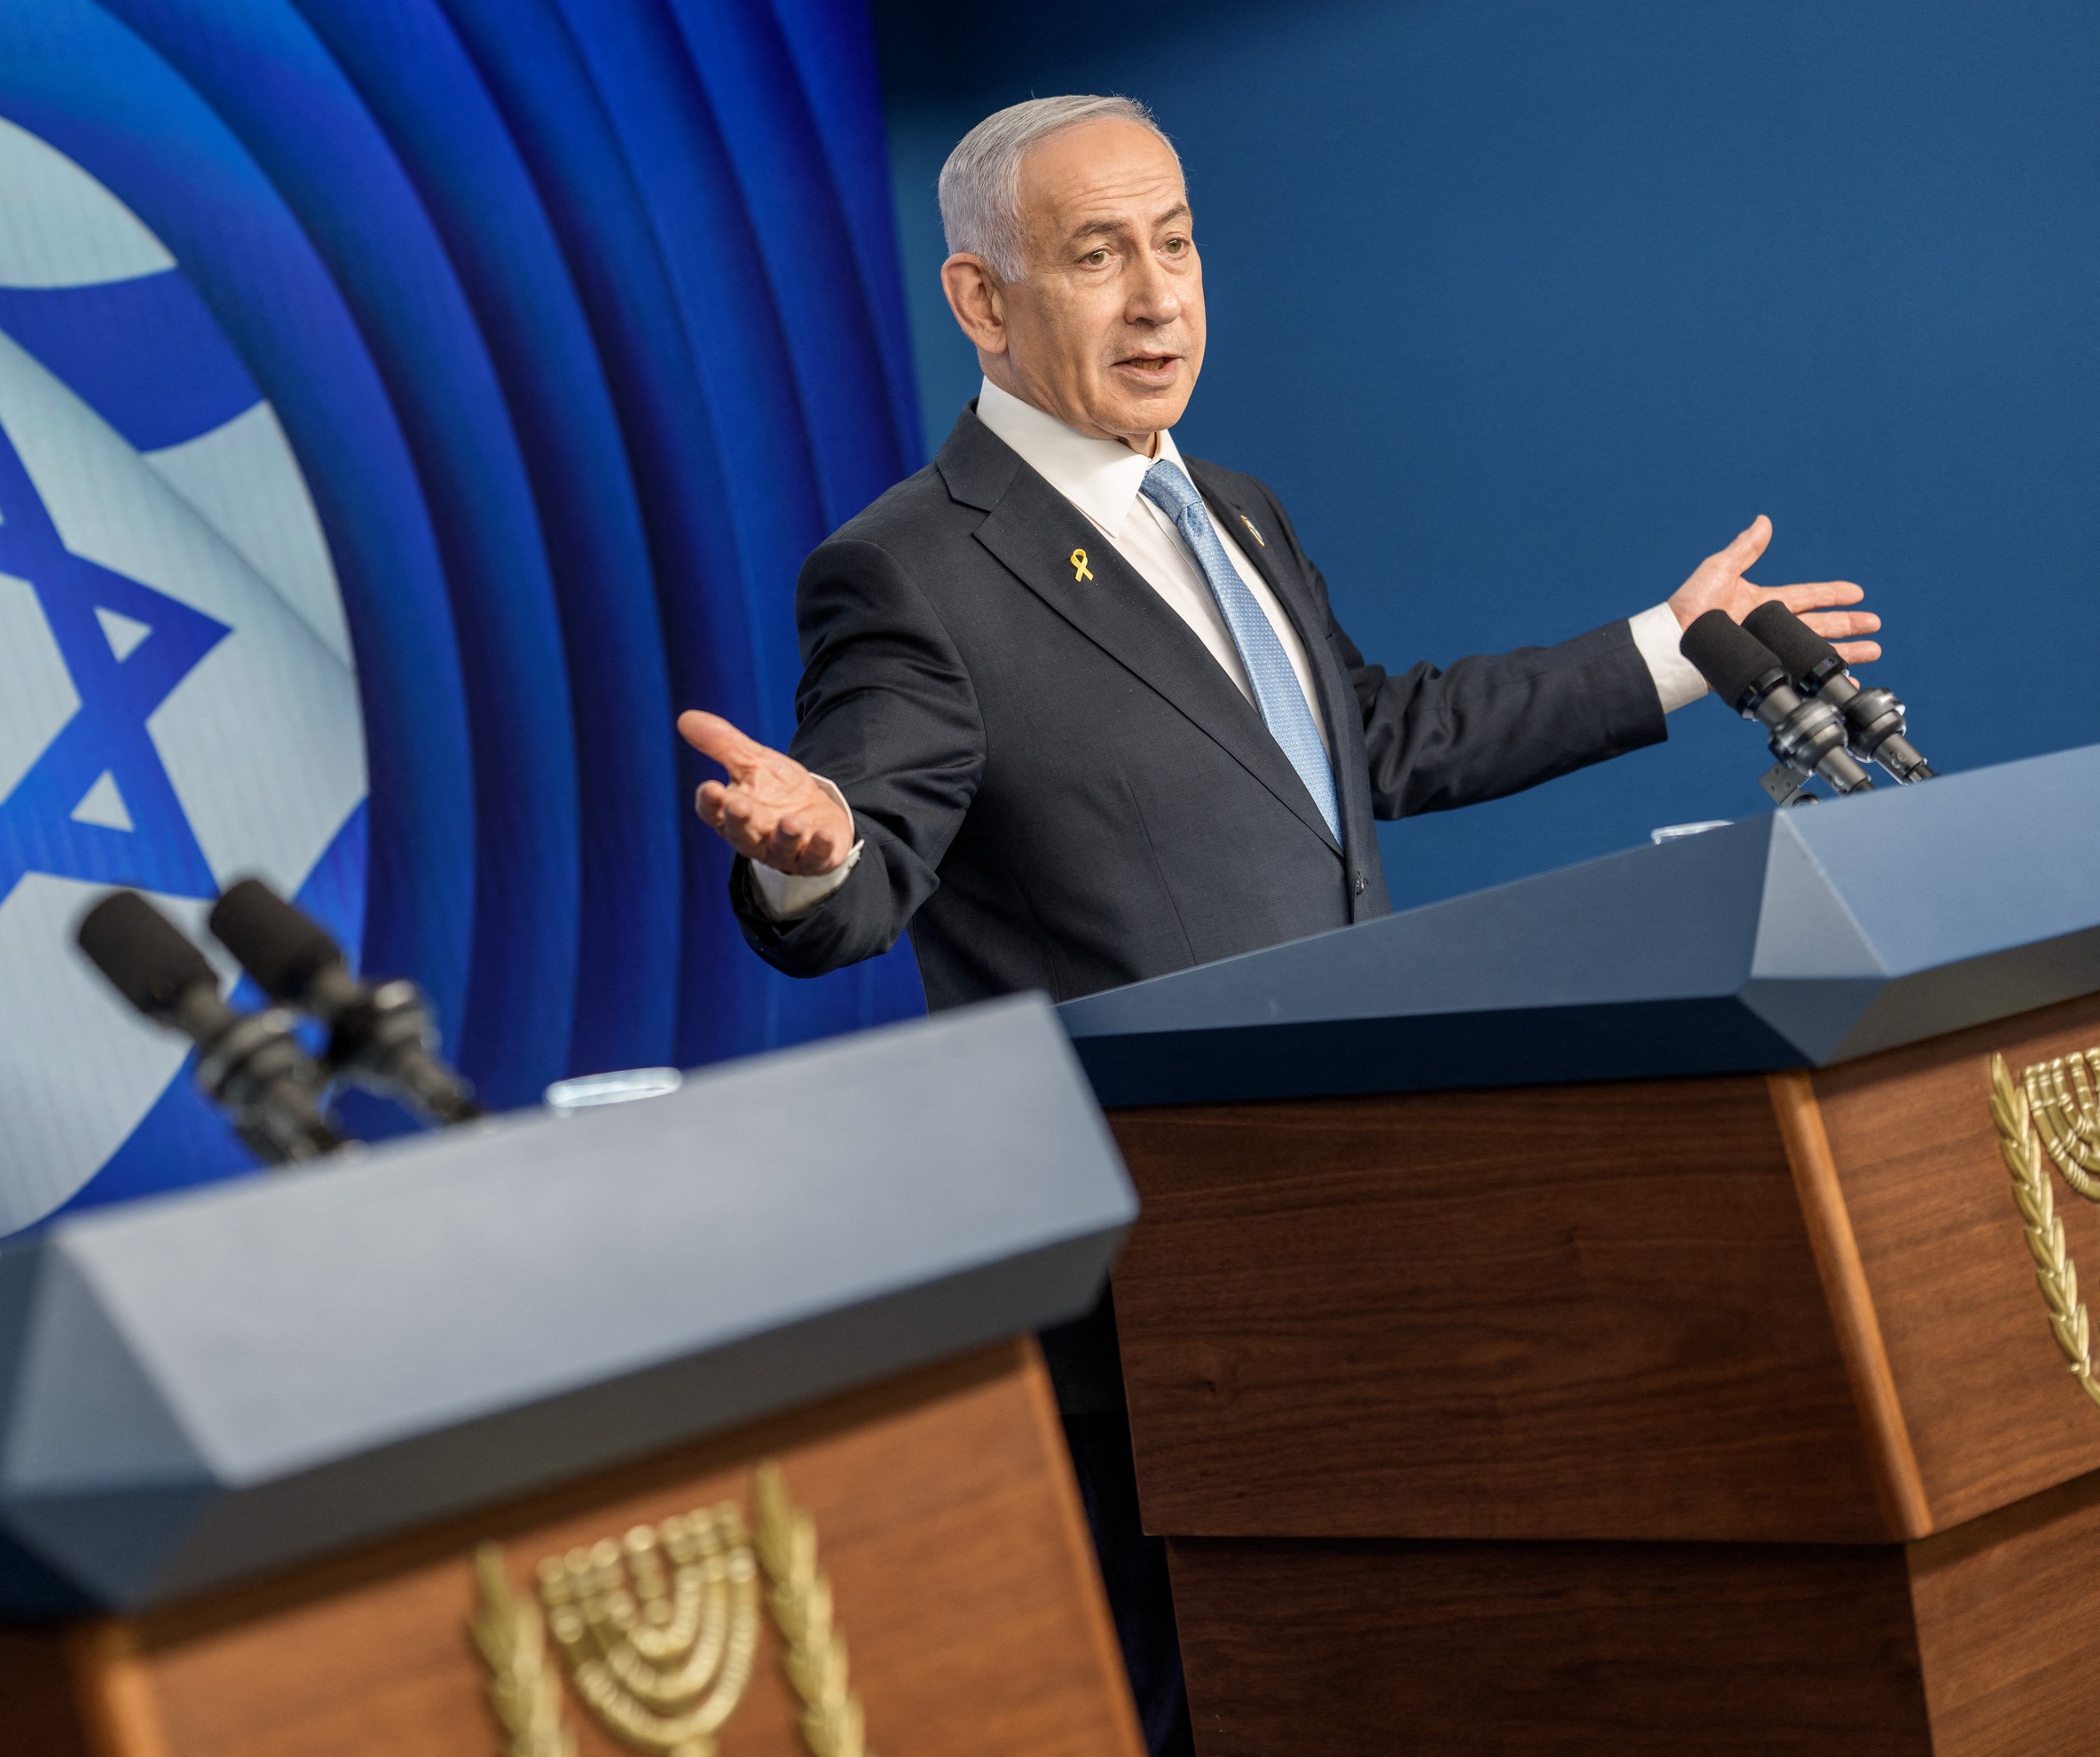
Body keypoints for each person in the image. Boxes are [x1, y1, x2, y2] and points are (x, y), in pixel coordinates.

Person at [677, 94, 1879, 1753]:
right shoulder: (906, 572)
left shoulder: (1231, 507)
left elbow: (1367, 744)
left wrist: (1669, 649)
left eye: (1174, 242)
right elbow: (862, 871)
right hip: (1165, 1290)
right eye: (1098, 256)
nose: (1161, 297)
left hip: (1356, 1233)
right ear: (981, 300)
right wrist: (808, 849)